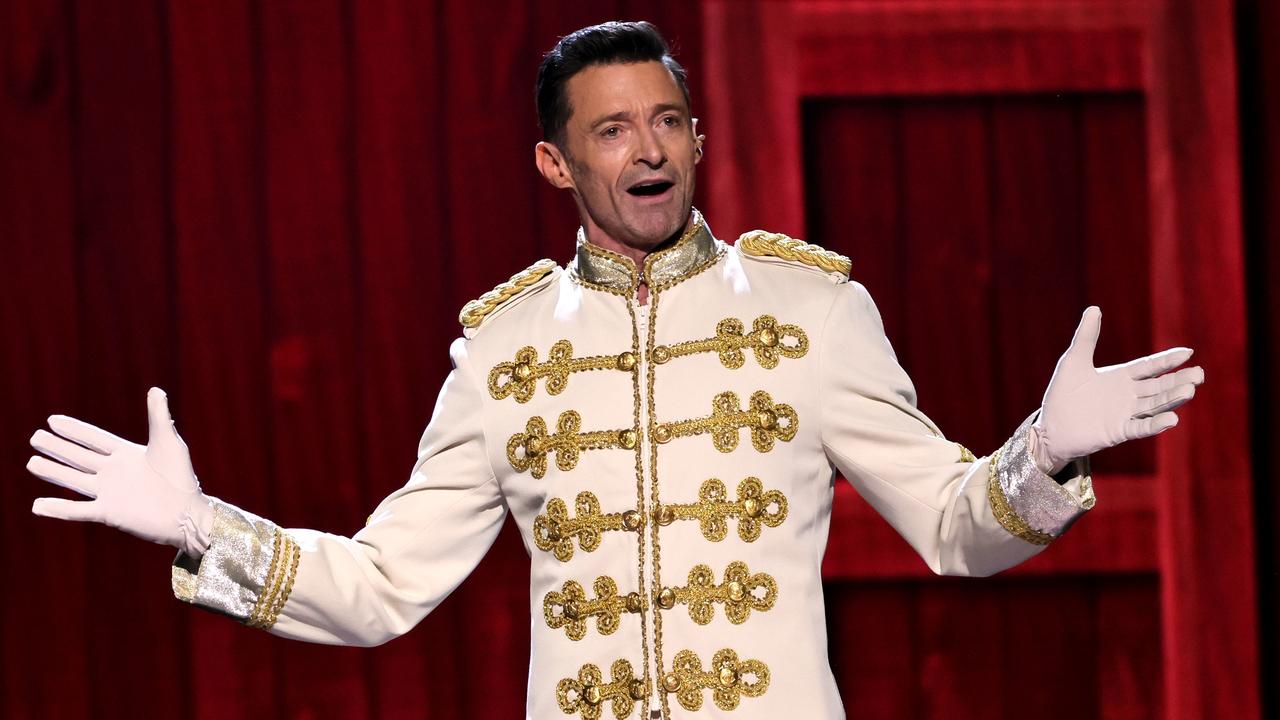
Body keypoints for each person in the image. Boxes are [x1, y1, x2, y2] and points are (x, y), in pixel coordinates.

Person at [25, 21, 1203, 720]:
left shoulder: (810, 311)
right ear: (554, 161)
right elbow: (383, 587)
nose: (648, 149)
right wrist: (199, 527)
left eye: (667, 121)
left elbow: (955, 528)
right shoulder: (502, 349)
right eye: (611, 129)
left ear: (693, 136)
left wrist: (1041, 452)